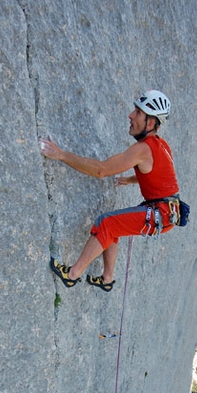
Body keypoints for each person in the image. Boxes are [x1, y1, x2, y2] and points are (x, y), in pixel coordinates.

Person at [39, 89, 179, 292]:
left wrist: (61, 155)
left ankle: (71, 275)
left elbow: (101, 170)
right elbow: (158, 177)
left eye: (138, 113)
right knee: (115, 224)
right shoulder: (161, 146)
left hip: (161, 212)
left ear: (150, 123)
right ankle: (107, 279)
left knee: (107, 223)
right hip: (166, 211)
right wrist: (129, 180)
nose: (130, 115)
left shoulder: (143, 149)